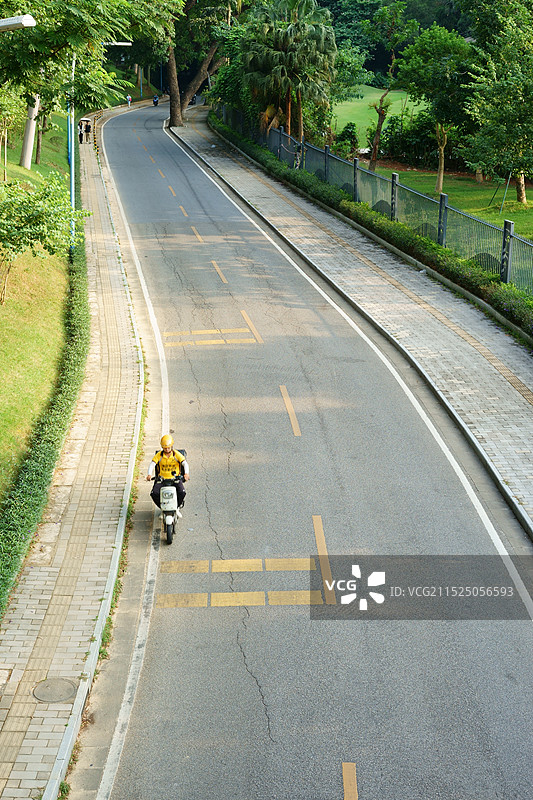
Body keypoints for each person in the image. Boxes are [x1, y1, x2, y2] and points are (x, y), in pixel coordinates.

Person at [146, 434, 189, 516]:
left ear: (172, 446)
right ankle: (163, 508)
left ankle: (176, 507)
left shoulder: (176, 454)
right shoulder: (159, 455)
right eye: (165, 448)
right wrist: (149, 474)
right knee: (154, 493)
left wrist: (186, 474)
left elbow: (184, 463)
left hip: (175, 478)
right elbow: (152, 464)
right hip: (162, 479)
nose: (167, 450)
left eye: (168, 447)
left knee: (182, 492)